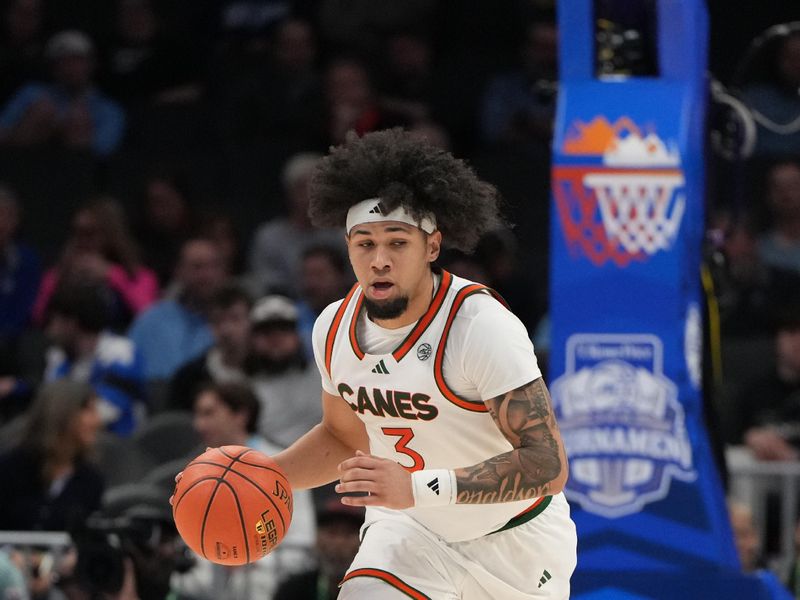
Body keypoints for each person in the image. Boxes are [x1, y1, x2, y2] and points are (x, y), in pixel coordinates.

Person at [238, 128, 575, 598]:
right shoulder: (333, 328)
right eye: (365, 243)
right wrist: (263, 478)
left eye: (397, 243)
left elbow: (548, 464)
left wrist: (418, 487)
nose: (379, 260)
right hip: (409, 532)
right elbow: (344, 437)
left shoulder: (478, 326)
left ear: (431, 247)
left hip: (515, 542)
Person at [174, 381, 316, 600]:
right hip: (212, 583)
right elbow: (191, 550)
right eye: (197, 415)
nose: (199, 425)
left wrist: (247, 554)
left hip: (271, 583)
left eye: (209, 413)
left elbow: (302, 545)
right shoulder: (196, 473)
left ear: (241, 415)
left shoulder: (283, 465)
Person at [32, 197, 159, 330]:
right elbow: (38, 317)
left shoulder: (138, 274)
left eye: (89, 233)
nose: (81, 241)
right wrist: (62, 278)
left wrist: (111, 275)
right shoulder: (58, 274)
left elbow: (147, 315)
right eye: (77, 232)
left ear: (110, 234)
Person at [0, 29, 125, 157]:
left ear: (92, 64)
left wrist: (65, 130)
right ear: (54, 68)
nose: (71, 68)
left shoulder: (108, 110)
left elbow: (103, 150)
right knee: (42, 111)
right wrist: (33, 124)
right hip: (19, 165)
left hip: (75, 170)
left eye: (77, 61)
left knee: (78, 123)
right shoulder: (32, 93)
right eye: (64, 62)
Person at [0, 380, 104, 531]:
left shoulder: (91, 480)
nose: (97, 421)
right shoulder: (9, 469)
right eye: (89, 410)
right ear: (61, 413)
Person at [129, 237, 228, 381]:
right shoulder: (151, 321)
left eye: (213, 266)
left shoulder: (236, 323)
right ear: (179, 271)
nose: (207, 275)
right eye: (197, 267)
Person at [248, 295, 323, 448]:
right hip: (271, 462)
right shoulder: (245, 389)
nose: (275, 339)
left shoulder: (323, 374)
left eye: (283, 330)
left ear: (296, 335)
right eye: (267, 332)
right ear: (253, 339)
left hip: (328, 456)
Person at [166, 284, 252, 412]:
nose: (226, 330)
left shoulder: (268, 368)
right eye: (218, 321)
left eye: (235, 319)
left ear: (251, 321)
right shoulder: (189, 378)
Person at [273, 499, 364, 600]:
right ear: (317, 538)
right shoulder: (293, 590)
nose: (339, 542)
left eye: (348, 533)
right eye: (332, 532)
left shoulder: (376, 590)